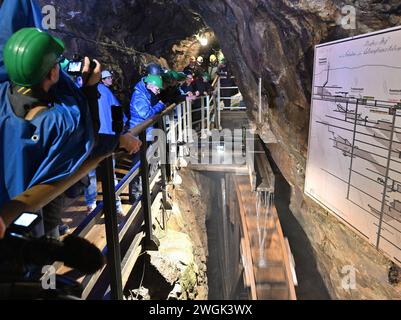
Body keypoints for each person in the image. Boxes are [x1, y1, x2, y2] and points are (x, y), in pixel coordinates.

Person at [0, 1, 141, 238]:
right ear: (54, 73)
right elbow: (89, 137)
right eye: (56, 66)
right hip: (21, 230)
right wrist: (90, 87)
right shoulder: (57, 123)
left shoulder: (4, 99)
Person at [84, 70, 128, 216]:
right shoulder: (106, 92)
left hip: (91, 139)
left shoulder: (82, 91)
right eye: (108, 77)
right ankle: (116, 205)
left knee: (89, 173)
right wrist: (122, 130)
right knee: (110, 173)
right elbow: (118, 111)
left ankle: (90, 205)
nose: (110, 79)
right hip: (108, 139)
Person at [128, 74, 165, 202]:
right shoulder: (138, 96)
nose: (158, 91)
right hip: (139, 135)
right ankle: (135, 196)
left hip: (144, 134)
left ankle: (140, 191)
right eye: (157, 88)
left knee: (144, 163)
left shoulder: (145, 93)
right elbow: (146, 114)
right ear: (150, 85)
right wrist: (160, 105)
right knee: (138, 165)